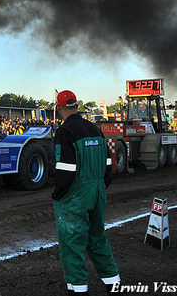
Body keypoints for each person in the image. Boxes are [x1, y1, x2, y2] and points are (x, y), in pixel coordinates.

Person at [53, 90, 121, 295]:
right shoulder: (95, 129)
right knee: (98, 239)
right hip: (98, 189)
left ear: (59, 108)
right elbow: (108, 164)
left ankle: (78, 290)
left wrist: (59, 194)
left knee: (72, 243)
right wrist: (99, 187)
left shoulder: (64, 131)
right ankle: (116, 286)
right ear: (77, 106)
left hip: (76, 194)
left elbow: (65, 169)